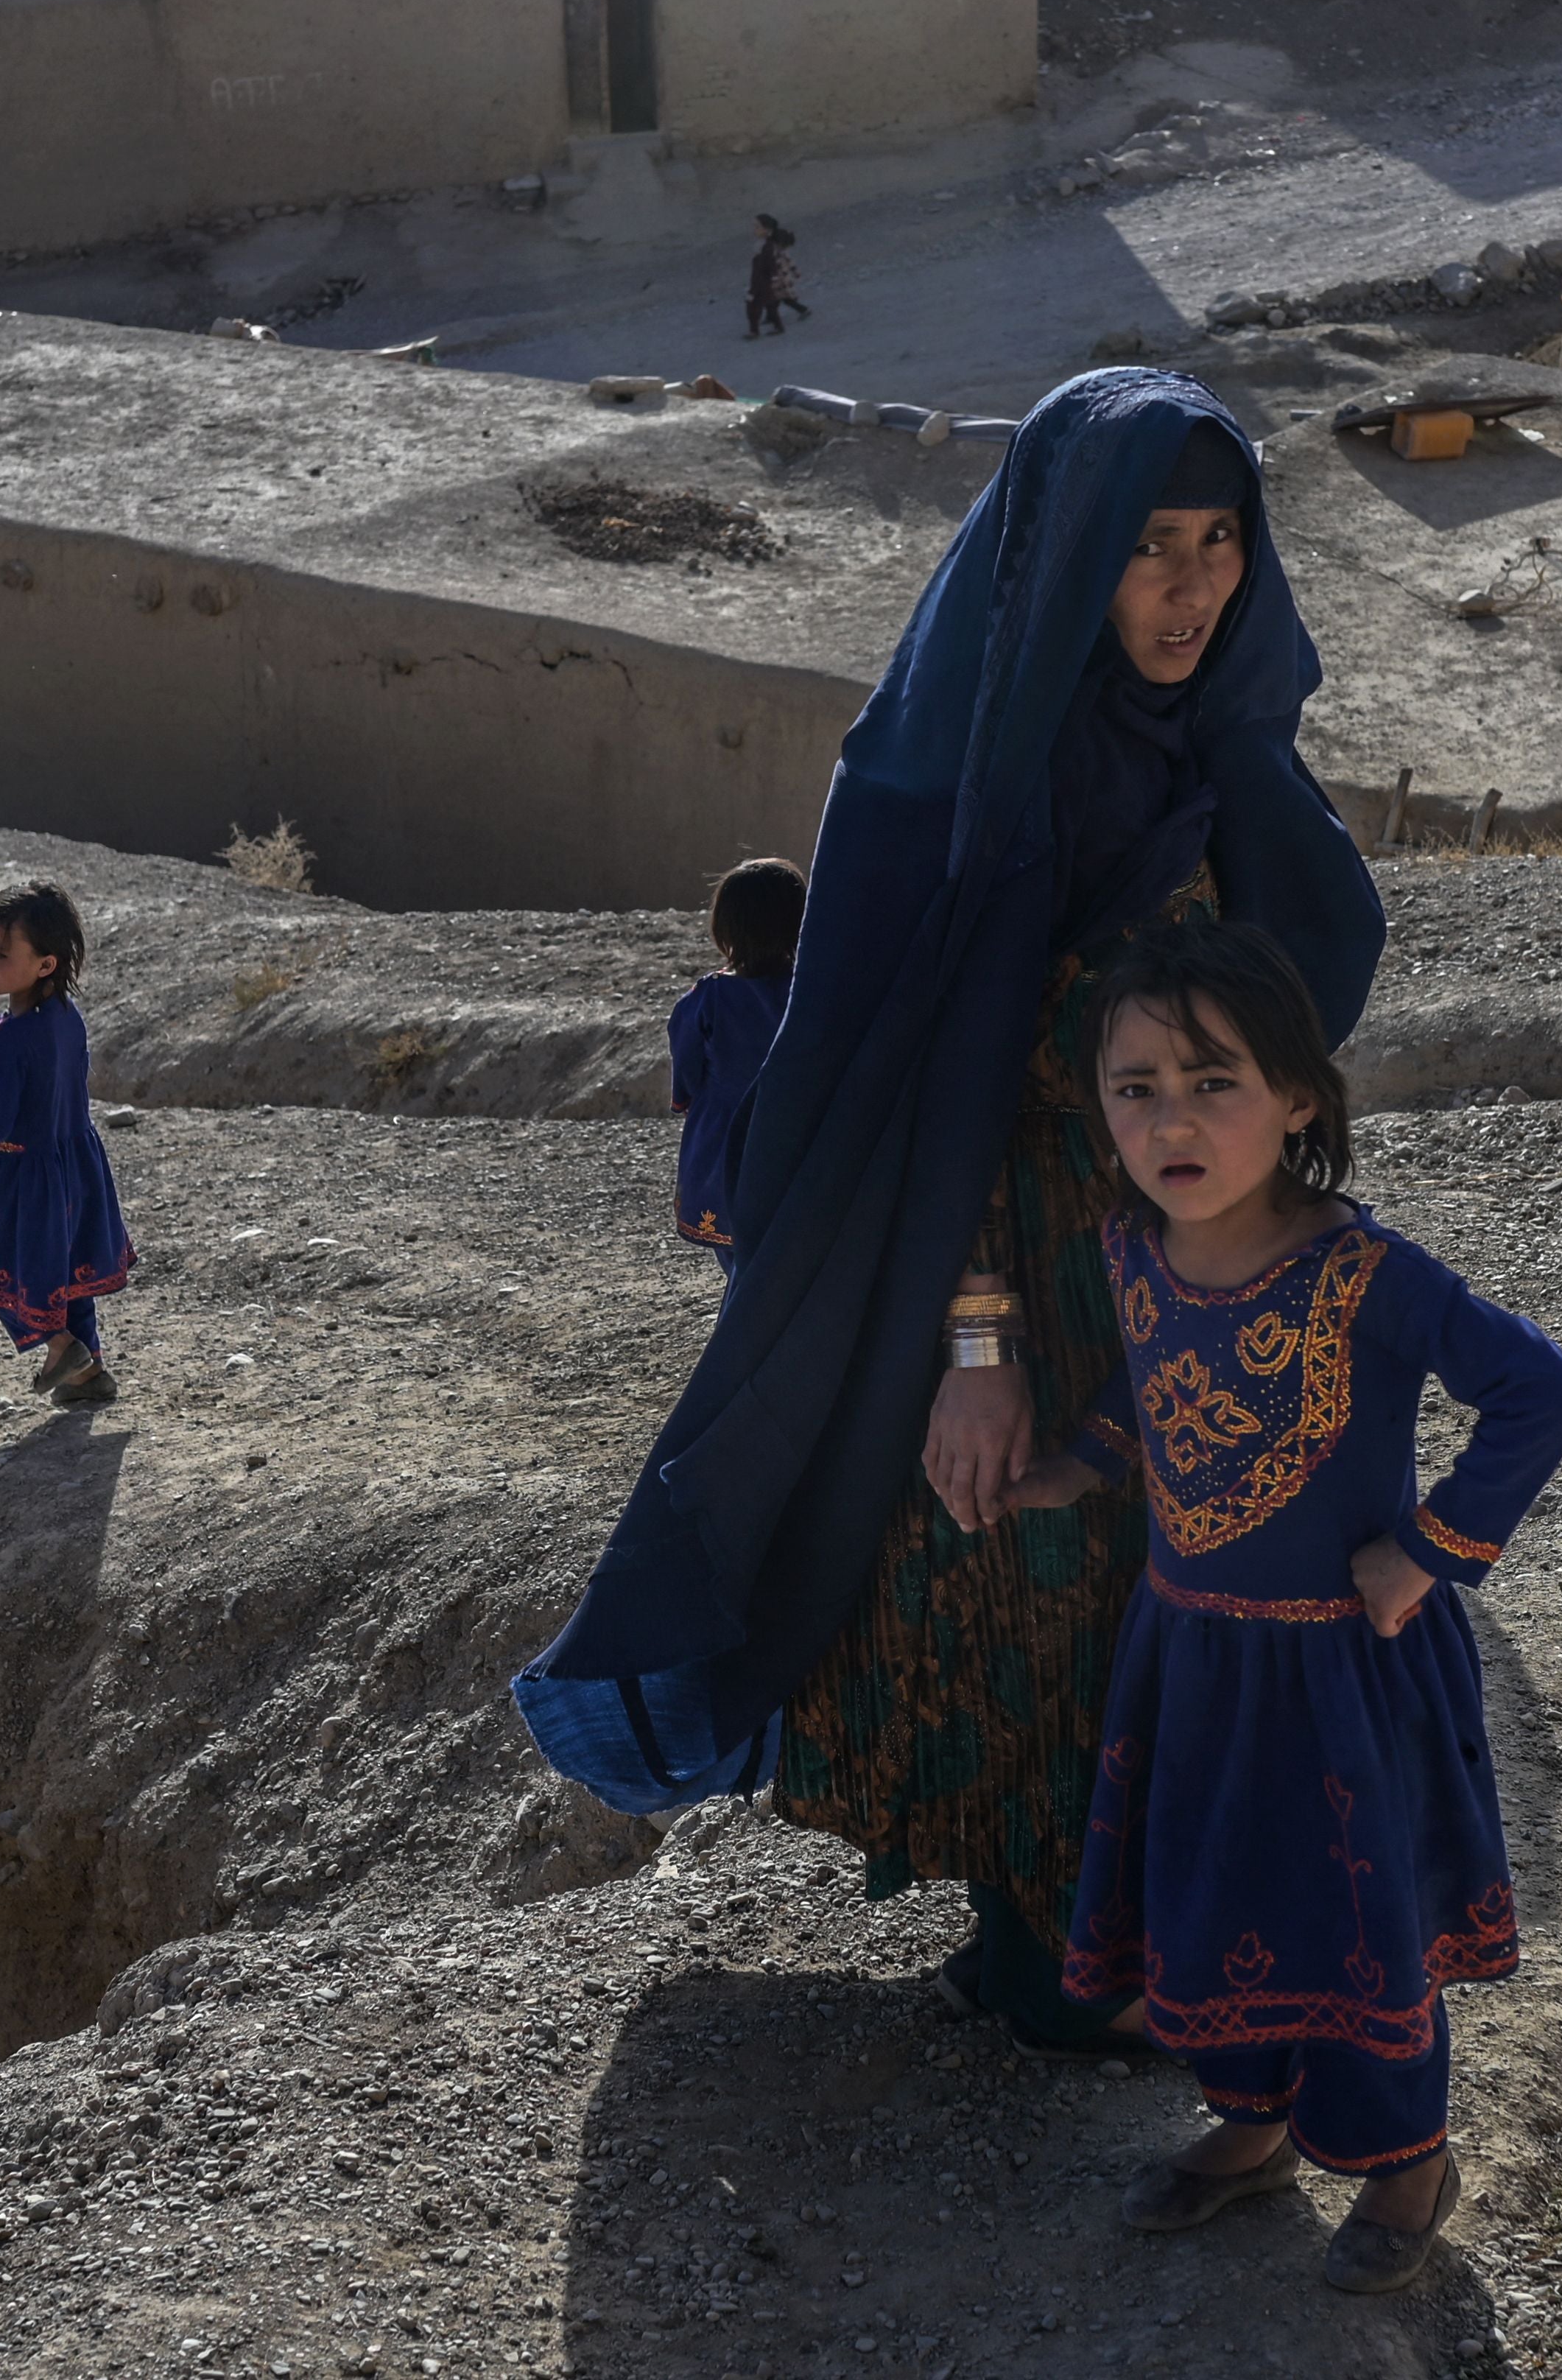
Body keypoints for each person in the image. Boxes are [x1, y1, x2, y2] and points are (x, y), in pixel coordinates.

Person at [513, 369, 1386, 2066]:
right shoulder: (973, 779)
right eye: (1152, 549)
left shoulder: (1221, 752)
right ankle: (1065, 1947)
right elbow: (932, 1089)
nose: (1196, 587)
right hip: (1004, 1285)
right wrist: (977, 1347)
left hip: (1189, 1283)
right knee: (1036, 1583)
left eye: (1222, 544)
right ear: (1068, 556)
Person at [996, 919, 1562, 2295]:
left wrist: (1430, 1546)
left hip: (1343, 1670)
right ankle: (1251, 2121)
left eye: (1214, 1080)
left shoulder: (1365, 1271)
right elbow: (1148, 1398)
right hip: (1190, 1652)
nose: (1170, 1118)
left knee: (1357, 1919)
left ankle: (1405, 2164)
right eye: (1134, 1085)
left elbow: (1539, 1391)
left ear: (1300, 1100)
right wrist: (1073, 1464)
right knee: (1212, 1894)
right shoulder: (1130, 1251)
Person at [0, 880, 136, 1405]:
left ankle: (59, 1346)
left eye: (1, 953)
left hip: (21, 1178)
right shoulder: (66, 1018)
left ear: (45, 964)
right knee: (66, 1276)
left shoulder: (8, 1037)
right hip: (75, 1164)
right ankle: (88, 1375)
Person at [673, 856, 808, 1264]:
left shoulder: (709, 998)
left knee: (737, 1257)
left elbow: (686, 1065)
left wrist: (686, 1099)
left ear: (726, 926)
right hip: (798, 1134)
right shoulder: (810, 994)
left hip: (724, 1137)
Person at [747, 214, 810, 339]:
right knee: (776, 300)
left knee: (779, 300)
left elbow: (787, 264)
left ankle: (803, 310)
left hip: (780, 281)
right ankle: (773, 318)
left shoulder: (777, 252)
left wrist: (794, 274)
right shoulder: (773, 250)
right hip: (778, 280)